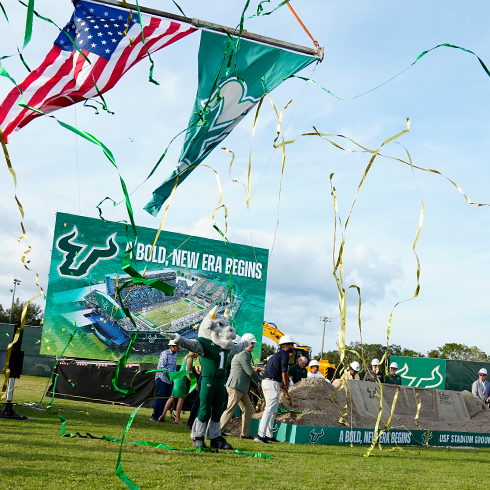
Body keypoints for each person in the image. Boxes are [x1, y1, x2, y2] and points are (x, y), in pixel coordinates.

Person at [220, 333, 261, 439]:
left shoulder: (244, 353)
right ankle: (217, 431)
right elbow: (250, 372)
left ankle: (245, 434)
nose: (253, 345)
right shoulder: (243, 353)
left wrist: (256, 387)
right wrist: (261, 380)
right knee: (230, 409)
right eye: (252, 343)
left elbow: (247, 375)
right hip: (236, 387)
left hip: (241, 387)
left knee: (247, 409)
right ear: (246, 343)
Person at [255, 335, 294, 444]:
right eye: (291, 345)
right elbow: (284, 371)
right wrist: (286, 384)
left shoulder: (276, 355)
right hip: (271, 383)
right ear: (286, 346)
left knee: (273, 409)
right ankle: (260, 435)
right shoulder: (285, 354)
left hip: (269, 382)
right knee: (269, 409)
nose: (293, 347)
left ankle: (268, 435)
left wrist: (283, 387)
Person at [159, 352, 198, 424]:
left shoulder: (187, 358)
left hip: (178, 379)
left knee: (172, 397)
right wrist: (194, 384)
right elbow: (187, 371)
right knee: (181, 400)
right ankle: (177, 419)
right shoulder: (190, 358)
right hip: (181, 380)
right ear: (195, 353)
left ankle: (163, 415)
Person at [151, 340, 180, 422]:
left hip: (169, 379)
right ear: (173, 346)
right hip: (161, 378)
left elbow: (174, 368)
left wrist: (175, 375)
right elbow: (161, 367)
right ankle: (155, 416)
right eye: (178, 346)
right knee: (160, 397)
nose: (179, 348)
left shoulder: (175, 355)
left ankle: (161, 416)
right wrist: (171, 374)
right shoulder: (165, 354)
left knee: (166, 397)